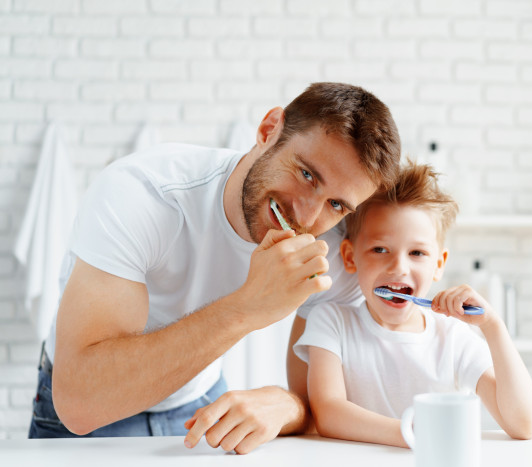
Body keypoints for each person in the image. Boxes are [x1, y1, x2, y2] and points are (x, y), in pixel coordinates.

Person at [28, 82, 402, 454]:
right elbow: (80, 402)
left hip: (199, 405)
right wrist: (248, 306)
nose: (306, 215)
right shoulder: (144, 195)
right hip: (89, 412)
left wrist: (287, 405)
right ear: (269, 129)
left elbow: (324, 405)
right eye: (306, 174)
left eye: (336, 204)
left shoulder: (338, 251)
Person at [293, 162, 532, 447]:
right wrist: (413, 433)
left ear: (439, 265)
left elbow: (526, 425)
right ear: (350, 257)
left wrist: (493, 326)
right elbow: (328, 414)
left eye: (417, 252)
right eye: (380, 249)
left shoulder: (454, 339)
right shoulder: (331, 322)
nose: (399, 267)